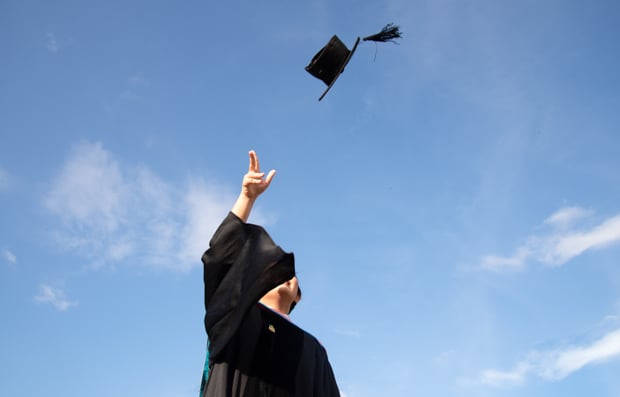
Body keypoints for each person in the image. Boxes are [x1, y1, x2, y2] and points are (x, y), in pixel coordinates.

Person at [200, 150, 341, 397]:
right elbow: (220, 258)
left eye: (287, 273)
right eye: (269, 270)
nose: (281, 274)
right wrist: (246, 198)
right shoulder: (234, 318)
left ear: (297, 297)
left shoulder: (314, 350)